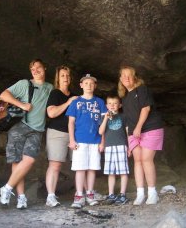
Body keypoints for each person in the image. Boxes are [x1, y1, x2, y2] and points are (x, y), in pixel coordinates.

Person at [0, 59, 53, 209]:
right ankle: (21, 197)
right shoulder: (24, 84)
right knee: (17, 162)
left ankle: (7, 188)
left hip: (37, 129)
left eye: (38, 67)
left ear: (45, 68)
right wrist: (21, 104)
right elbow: (4, 95)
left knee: (28, 161)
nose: (35, 70)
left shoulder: (50, 88)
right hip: (20, 126)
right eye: (32, 68)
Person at [118, 66, 164, 205]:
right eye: (123, 75)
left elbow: (146, 108)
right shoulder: (125, 98)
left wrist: (138, 127)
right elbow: (127, 121)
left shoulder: (142, 89)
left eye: (129, 75)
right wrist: (128, 142)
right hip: (133, 133)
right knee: (137, 161)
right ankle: (140, 194)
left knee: (146, 159)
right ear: (120, 79)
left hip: (150, 128)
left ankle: (152, 193)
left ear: (135, 78)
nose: (126, 78)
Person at [66, 73, 107, 209]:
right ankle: (79, 195)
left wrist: (102, 142)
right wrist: (71, 140)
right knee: (80, 168)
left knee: (92, 168)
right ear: (81, 85)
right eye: (86, 83)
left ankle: (90, 194)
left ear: (95, 86)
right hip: (80, 141)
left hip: (95, 140)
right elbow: (71, 122)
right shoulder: (75, 102)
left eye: (91, 83)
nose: (89, 85)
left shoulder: (100, 102)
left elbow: (103, 124)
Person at [44, 65, 78, 207]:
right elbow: (51, 113)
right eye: (63, 75)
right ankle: (50, 196)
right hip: (57, 133)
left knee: (79, 165)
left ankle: (82, 194)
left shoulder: (75, 94)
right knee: (55, 165)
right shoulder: (55, 94)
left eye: (68, 75)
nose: (66, 78)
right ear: (58, 78)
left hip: (74, 134)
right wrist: (68, 102)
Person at [98, 94, 129, 205]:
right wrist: (106, 117)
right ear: (106, 105)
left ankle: (122, 195)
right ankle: (111, 194)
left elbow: (127, 132)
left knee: (123, 171)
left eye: (115, 103)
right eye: (110, 103)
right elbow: (101, 132)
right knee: (111, 172)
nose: (112, 105)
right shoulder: (103, 117)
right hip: (109, 147)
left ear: (120, 105)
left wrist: (129, 147)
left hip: (121, 145)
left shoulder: (123, 116)